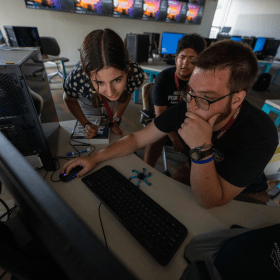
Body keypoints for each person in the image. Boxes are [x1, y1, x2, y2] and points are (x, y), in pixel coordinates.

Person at [61, 40, 278, 209]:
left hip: (244, 195)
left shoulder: (261, 133)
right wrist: (95, 158)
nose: (191, 105)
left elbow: (213, 200)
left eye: (205, 98)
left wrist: (201, 149)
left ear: (237, 99)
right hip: (201, 174)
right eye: (190, 92)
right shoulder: (188, 107)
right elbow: (137, 138)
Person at [63, 28, 144, 138]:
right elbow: (69, 99)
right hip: (88, 99)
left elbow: (127, 93)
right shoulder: (78, 77)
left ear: (127, 70)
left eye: (117, 80)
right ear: (88, 76)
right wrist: (85, 123)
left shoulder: (134, 73)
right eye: (99, 82)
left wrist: (116, 119)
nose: (111, 93)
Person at [144, 33, 207, 167]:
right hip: (167, 123)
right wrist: (174, 136)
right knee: (155, 135)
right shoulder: (163, 79)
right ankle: (147, 169)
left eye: (192, 59)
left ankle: (196, 174)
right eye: (182, 57)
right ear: (176, 59)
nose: (185, 63)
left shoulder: (203, 81)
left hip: (191, 122)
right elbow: (160, 116)